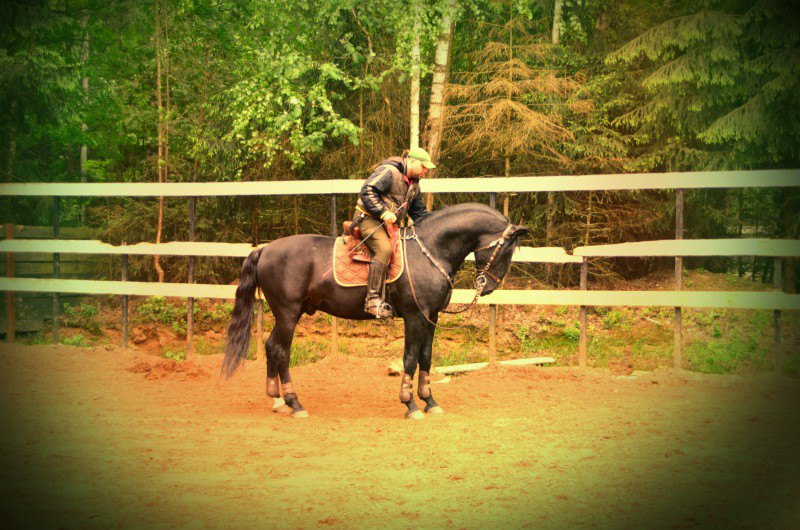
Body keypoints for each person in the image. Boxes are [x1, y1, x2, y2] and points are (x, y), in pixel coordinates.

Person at [353, 147, 436, 318]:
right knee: (384, 249)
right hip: (369, 219)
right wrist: (382, 212)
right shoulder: (389, 171)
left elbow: (419, 214)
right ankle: (373, 300)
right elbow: (367, 190)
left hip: (389, 226)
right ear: (411, 161)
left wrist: (434, 229)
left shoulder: (414, 186)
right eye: (423, 166)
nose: (426, 171)